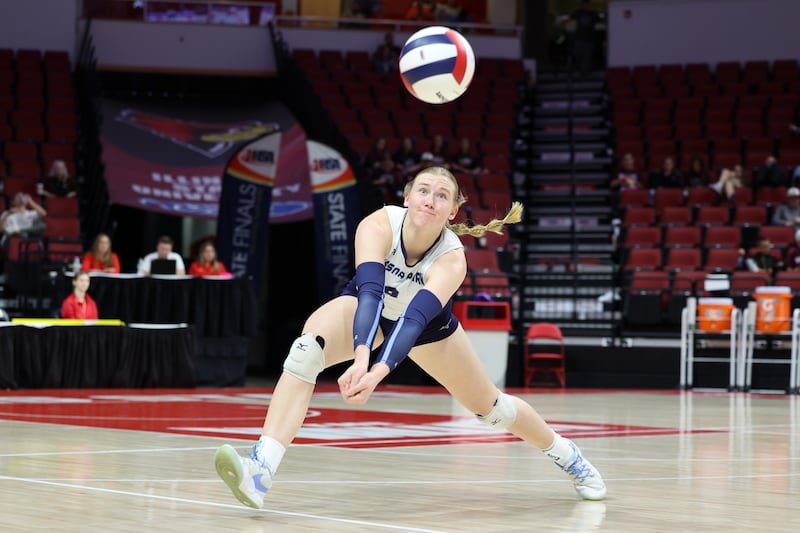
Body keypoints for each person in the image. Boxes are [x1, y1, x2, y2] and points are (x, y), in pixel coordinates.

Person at [212, 166, 607, 509]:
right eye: (423, 190)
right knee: (305, 352)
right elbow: (370, 293)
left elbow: (413, 321)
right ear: (407, 197)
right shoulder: (378, 224)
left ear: (452, 211)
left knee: (493, 409)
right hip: (368, 308)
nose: (430, 200)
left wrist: (377, 372)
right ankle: (260, 470)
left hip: (428, 330)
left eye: (442, 195)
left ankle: (566, 454)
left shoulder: (452, 258)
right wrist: (361, 357)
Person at [568, 0, 600, 76]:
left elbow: (598, 26)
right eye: (583, 4)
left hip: (589, 40)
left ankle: (584, 73)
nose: (585, 6)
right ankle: (579, 70)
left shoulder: (593, 14)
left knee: (587, 57)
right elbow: (570, 26)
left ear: (589, 5)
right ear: (581, 5)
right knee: (577, 55)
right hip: (578, 39)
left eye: (586, 5)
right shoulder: (576, 13)